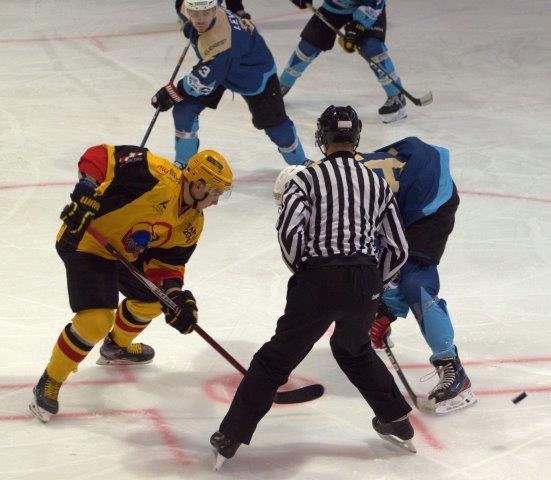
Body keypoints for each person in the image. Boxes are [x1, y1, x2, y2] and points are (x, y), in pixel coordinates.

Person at [209, 105, 414, 470]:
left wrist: (306, 272)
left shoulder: (305, 179)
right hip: (365, 279)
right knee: (354, 349)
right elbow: (397, 247)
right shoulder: (377, 183)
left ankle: (231, 436)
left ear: (322, 138)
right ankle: (397, 420)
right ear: (356, 138)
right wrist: (374, 284)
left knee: (275, 360)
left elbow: (289, 234)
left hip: (319, 278)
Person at [29, 145, 233, 423]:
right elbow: (99, 155)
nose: (217, 201)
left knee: (155, 301)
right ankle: (51, 379)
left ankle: (116, 347)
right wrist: (87, 188)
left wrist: (176, 297)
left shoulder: (193, 223)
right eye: (215, 192)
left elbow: (167, 264)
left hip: (123, 254)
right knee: (96, 321)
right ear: (199, 185)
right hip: (86, 240)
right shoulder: (155, 174)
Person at [356, 137, 477, 414]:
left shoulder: (340, 197)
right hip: (407, 193)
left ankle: (453, 370)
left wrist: (384, 308)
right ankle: (384, 311)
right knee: (382, 266)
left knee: (414, 280)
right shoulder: (330, 183)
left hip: (430, 199)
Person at [153, 0, 307, 168]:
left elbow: (202, 81)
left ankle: (302, 165)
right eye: (194, 14)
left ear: (214, 10)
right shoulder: (195, 5)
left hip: (253, 73)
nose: (200, 20)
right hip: (218, 66)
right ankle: (184, 165)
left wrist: (172, 93)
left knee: (276, 127)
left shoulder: (222, 43)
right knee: (185, 109)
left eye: (205, 13)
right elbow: (182, 6)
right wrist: (190, 26)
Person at [280, 0, 406, 123]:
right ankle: (279, 88)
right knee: (308, 47)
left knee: (372, 48)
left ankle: (396, 96)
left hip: (369, 7)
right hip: (334, 7)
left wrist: (359, 25)